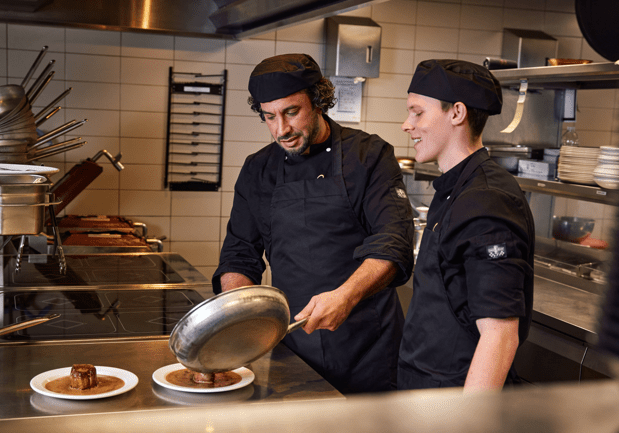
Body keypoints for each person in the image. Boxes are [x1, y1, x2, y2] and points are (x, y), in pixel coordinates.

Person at [213, 53, 414, 394]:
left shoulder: (368, 156)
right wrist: (239, 317)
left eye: (292, 112)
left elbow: (393, 240)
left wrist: (346, 296)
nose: (282, 130)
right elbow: (239, 253)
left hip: (367, 346)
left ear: (319, 101)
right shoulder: (257, 170)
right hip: (292, 344)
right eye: (269, 117)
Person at [398, 59, 534, 392]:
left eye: (417, 113)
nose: (406, 124)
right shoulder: (456, 188)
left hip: (451, 403)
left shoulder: (486, 200)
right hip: (425, 392)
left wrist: (467, 427)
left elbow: (500, 334)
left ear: (457, 113)